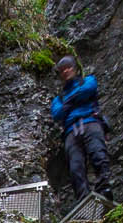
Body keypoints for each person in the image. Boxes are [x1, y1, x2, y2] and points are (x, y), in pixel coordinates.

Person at [49, 55, 112, 201]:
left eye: (69, 67)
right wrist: (76, 98)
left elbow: (89, 89)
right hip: (71, 131)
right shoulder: (58, 98)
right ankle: (84, 198)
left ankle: (104, 189)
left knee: (98, 154)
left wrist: (68, 103)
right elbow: (57, 114)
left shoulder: (87, 80)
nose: (66, 71)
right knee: (75, 167)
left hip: (91, 123)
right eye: (62, 70)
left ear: (76, 69)